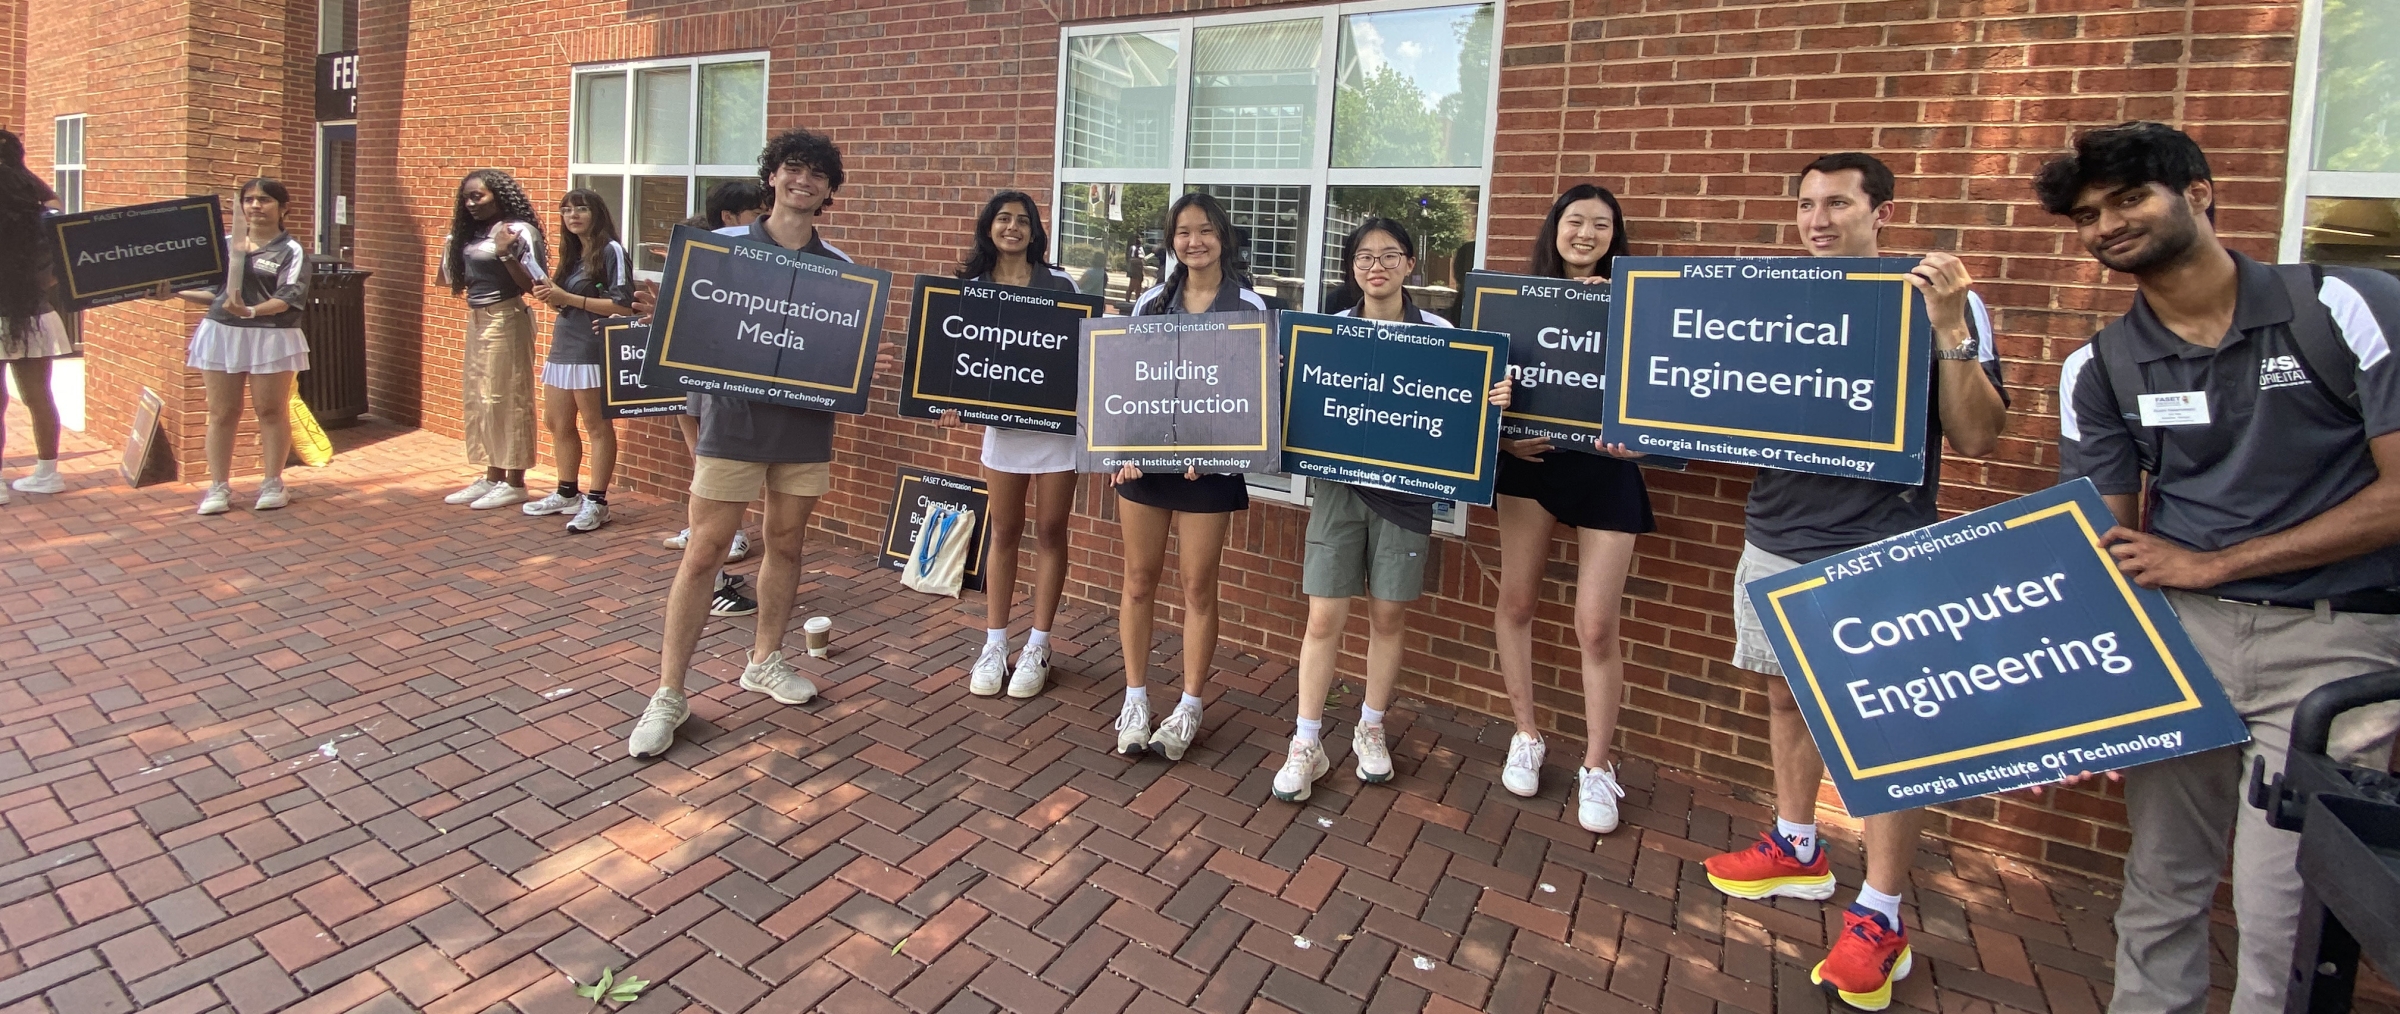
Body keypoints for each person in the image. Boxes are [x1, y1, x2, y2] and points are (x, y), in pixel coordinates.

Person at [2039, 121, 2400, 1014]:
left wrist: (2214, 563)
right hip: (2183, 645)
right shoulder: (2101, 366)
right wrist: (2091, 696)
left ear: (2197, 192)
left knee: (2287, 912)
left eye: (2130, 198)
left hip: (2334, 649)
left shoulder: (2347, 305)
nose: (2108, 225)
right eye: (2088, 215)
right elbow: (2106, 546)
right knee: (2162, 883)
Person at [1696, 152, 2008, 1012]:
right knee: (1784, 700)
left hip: (1882, 546)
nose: (1818, 218)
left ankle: (1881, 913)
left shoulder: (1938, 300)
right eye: (1805, 204)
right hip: (1775, 535)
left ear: (1882, 211)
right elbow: (1714, 402)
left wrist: (1949, 326)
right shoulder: (1776, 300)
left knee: (1888, 738)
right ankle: (1798, 848)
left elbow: (1978, 435)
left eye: (1838, 203)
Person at [625, 126, 899, 759]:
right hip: (733, 423)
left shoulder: (842, 272)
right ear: (772, 176)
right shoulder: (719, 249)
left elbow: (841, 355)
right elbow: (688, 318)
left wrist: (863, 367)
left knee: (786, 543)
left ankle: (765, 660)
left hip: (803, 428)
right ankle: (669, 692)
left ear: (829, 191)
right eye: (793, 169)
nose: (803, 181)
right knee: (705, 552)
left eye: (818, 175)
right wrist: (660, 314)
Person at [1272, 218, 1510, 802]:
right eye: (1363, 257)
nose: (1375, 266)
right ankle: (1307, 741)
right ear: (1352, 268)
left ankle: (1370, 727)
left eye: (1389, 255)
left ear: (1409, 265)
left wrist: (1492, 396)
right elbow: (1295, 409)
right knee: (1324, 617)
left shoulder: (1439, 331)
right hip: (1338, 492)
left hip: (1404, 498)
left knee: (1387, 618)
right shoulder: (1326, 334)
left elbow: (1460, 408)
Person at [1486, 185, 1656, 833]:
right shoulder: (1519, 304)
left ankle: (1597, 764)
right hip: (1533, 468)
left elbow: (1660, 392)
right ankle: (1526, 732)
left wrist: (1637, 438)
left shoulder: (1635, 306)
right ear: (1554, 228)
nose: (1584, 233)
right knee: (1518, 603)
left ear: (1615, 236)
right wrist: (1502, 429)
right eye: (1574, 221)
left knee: (1594, 627)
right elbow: (1488, 391)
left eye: (1600, 224)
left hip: (1607, 474)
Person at [1110, 192, 1268, 761]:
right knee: (1137, 579)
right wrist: (1118, 448)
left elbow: (1255, 398)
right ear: (1171, 241)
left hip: (1212, 469)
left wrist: (1221, 450)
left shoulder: (1250, 306)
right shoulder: (1149, 304)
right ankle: (1135, 699)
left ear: (1222, 237)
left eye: (1204, 230)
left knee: (1198, 586)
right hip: (1145, 464)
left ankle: (1191, 704)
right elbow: (1125, 385)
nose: (1193, 241)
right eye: (1182, 232)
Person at [940, 190, 1082, 699]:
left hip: (1055, 435)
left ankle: (1039, 643)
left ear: (1035, 231)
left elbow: (1082, 356)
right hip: (1002, 433)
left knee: (1049, 531)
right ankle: (995, 641)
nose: (1013, 228)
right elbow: (955, 364)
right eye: (1003, 219)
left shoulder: (1060, 285)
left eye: (1023, 221)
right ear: (988, 227)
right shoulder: (971, 289)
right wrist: (950, 399)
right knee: (1003, 531)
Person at [148, 179, 312, 515]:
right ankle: (218, 487)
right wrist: (174, 293)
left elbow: (287, 299)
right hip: (223, 333)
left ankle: (272, 483)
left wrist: (251, 310)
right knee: (222, 412)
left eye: (264, 200)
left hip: (271, 334)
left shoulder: (291, 250)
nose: (255, 206)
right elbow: (215, 294)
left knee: (270, 410)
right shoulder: (223, 245)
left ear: (283, 208)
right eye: (248, 200)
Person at [663, 178, 772, 568]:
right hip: (702, 366)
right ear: (729, 217)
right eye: (758, 212)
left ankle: (733, 531)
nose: (766, 219)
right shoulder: (709, 253)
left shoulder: (755, 258)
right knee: (699, 449)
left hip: (733, 377)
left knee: (713, 451)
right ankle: (715, 528)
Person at [521, 188, 634, 533]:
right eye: (566, 210)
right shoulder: (572, 254)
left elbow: (622, 306)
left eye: (581, 209)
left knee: (597, 425)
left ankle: (598, 501)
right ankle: (567, 491)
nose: (573, 216)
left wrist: (567, 296)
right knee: (557, 422)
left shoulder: (611, 251)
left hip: (592, 349)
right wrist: (550, 297)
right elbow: (564, 302)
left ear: (596, 213)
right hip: (563, 345)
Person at [438, 170, 547, 510]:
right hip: (477, 317)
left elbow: (535, 284)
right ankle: (492, 474)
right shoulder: (472, 233)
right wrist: (451, 245)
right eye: (466, 197)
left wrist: (504, 253)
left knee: (509, 396)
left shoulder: (517, 231)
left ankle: (515, 481)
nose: (470, 203)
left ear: (499, 196)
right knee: (481, 397)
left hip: (506, 316)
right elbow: (445, 281)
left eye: (478, 196)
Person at [0, 129, 68, 504]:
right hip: (36, 313)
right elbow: (59, 264)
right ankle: (47, 473)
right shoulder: (41, 215)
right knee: (39, 395)